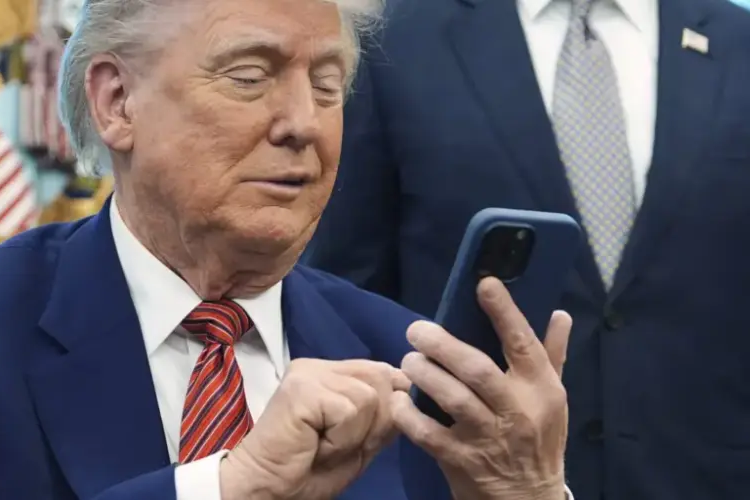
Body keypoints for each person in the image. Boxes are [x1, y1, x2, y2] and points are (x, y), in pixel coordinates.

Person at [0, 0, 576, 499]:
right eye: (249, 77)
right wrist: (230, 487)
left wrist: (532, 493)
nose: (303, 123)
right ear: (116, 102)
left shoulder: (411, 364)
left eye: (327, 86)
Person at [304, 0, 750, 498]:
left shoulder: (739, 43)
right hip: (458, 479)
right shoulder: (396, 39)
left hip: (706, 473)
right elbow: (349, 290)